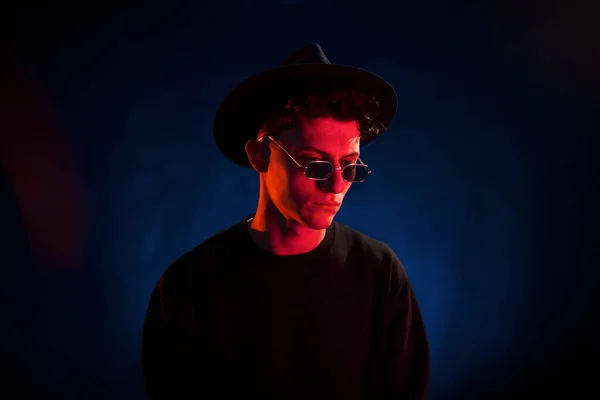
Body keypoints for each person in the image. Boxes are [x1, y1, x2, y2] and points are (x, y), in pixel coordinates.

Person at [142, 43, 430, 399]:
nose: (337, 185)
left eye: (350, 165)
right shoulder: (189, 288)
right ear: (259, 154)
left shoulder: (380, 273)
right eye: (315, 164)